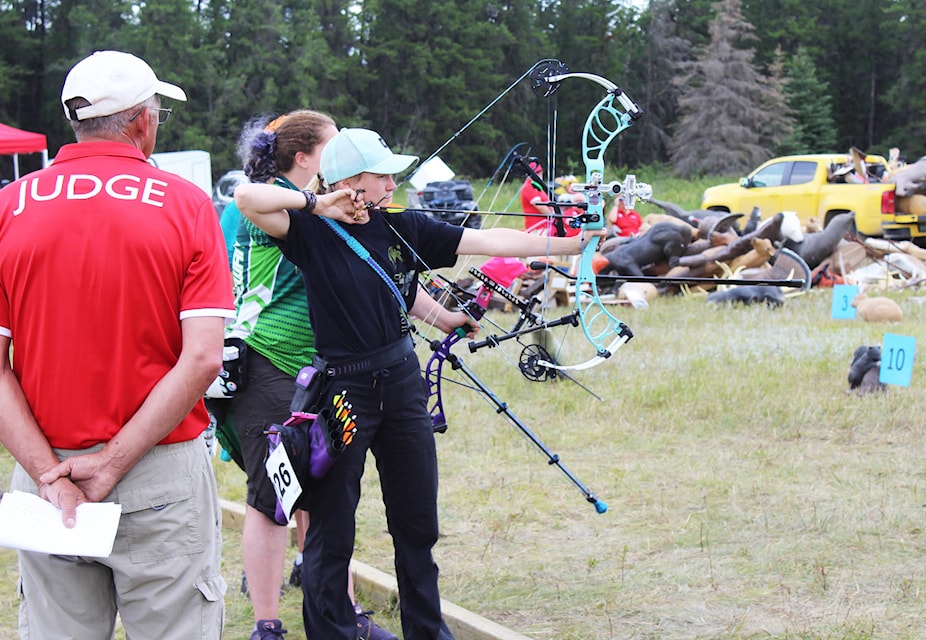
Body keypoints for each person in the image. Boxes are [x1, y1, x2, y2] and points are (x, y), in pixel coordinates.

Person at [234, 127, 604, 640]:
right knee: (332, 528)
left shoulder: (402, 225)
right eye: (381, 174)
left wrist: (571, 243)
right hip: (342, 391)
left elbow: (488, 238)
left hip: (403, 383)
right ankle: (333, 632)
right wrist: (318, 202)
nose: (392, 182)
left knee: (416, 525)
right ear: (351, 181)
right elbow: (246, 196)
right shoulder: (309, 231)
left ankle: (427, 632)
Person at [0, 50, 234, 638]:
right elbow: (203, 355)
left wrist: (49, 474)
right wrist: (111, 462)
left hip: (45, 469)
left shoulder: (9, 206)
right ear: (142, 121)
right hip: (157, 471)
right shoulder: (185, 203)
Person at [219, 110, 400, 640]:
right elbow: (247, 201)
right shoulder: (277, 198)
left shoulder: (317, 204)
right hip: (267, 361)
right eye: (333, 148)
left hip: (314, 368)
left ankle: (341, 616)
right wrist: (321, 204)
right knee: (272, 498)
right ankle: (268, 626)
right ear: (304, 158)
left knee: (321, 494)